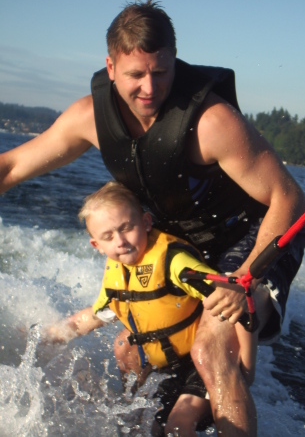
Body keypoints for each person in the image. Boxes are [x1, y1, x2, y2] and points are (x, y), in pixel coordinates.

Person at [0, 0, 305, 437]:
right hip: (188, 244)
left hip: (257, 236)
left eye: (161, 72)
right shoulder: (88, 117)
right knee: (130, 346)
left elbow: (288, 197)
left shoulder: (211, 122)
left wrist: (245, 278)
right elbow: (10, 167)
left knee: (211, 348)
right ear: (110, 68)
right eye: (135, 75)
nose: (149, 87)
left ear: (174, 64)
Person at [44, 180, 220, 436]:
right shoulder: (117, 276)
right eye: (108, 236)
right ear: (97, 246)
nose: (120, 241)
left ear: (146, 223)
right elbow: (92, 317)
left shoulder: (172, 260)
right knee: (144, 423)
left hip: (200, 363)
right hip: (166, 370)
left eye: (127, 228)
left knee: (179, 426)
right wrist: (47, 336)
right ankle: (133, 402)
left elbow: (223, 295)